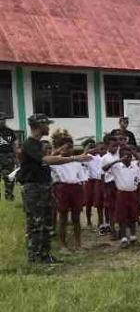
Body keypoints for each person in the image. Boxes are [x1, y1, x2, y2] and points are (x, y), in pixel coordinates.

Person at [17, 114, 91, 266]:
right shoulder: (30, 143)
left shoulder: (36, 144)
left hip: (43, 188)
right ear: (39, 126)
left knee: (45, 224)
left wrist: (61, 153)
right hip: (34, 189)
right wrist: (75, 158)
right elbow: (47, 160)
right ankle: (35, 260)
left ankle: (45, 256)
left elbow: (47, 160)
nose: (49, 127)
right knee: (35, 225)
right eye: (46, 124)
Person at [50, 136, 88, 251]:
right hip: (61, 188)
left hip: (76, 188)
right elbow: (44, 160)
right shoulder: (54, 161)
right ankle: (63, 245)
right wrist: (57, 151)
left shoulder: (76, 161)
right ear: (59, 148)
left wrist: (82, 194)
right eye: (65, 147)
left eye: (70, 147)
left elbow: (82, 179)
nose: (68, 150)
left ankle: (78, 244)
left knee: (76, 218)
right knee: (63, 218)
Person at [103, 150, 140, 248]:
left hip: (133, 193)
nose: (128, 158)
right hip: (121, 194)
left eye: (129, 156)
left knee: (133, 216)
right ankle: (124, 238)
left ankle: (133, 237)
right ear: (120, 157)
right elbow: (104, 168)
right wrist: (117, 161)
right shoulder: (117, 167)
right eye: (125, 156)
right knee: (122, 217)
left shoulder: (135, 167)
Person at [0, 112, 18, 200]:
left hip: (9, 157)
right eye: (1, 119)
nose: (3, 121)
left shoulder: (9, 131)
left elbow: (14, 144)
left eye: (4, 119)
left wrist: (16, 157)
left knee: (9, 177)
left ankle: (9, 195)